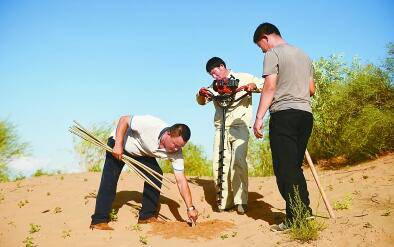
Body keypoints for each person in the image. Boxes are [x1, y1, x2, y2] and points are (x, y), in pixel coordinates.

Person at [252, 23, 316, 231]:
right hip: (305, 115)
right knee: (294, 167)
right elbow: (311, 90)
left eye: (260, 45)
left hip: (284, 115)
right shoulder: (304, 55)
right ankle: (304, 214)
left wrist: (259, 117)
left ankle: (295, 218)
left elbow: (270, 86)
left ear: (266, 37)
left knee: (284, 169)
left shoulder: (273, 54)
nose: (262, 50)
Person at [89, 114, 198, 230]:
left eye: (180, 147)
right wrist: (118, 145)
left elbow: (181, 181)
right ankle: (99, 220)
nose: (176, 149)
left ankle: (146, 217)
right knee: (110, 178)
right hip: (120, 143)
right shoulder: (150, 124)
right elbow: (124, 120)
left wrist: (190, 208)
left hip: (141, 152)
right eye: (175, 145)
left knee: (155, 175)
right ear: (168, 134)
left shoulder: (176, 152)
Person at [196, 57, 263, 214]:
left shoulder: (244, 77)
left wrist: (253, 86)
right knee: (219, 164)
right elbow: (201, 101)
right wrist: (200, 94)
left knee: (239, 162)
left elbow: (264, 84)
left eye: (215, 72)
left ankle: (241, 201)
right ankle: (224, 202)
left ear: (222, 66)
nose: (214, 77)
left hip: (240, 127)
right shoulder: (213, 86)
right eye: (211, 75)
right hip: (221, 129)